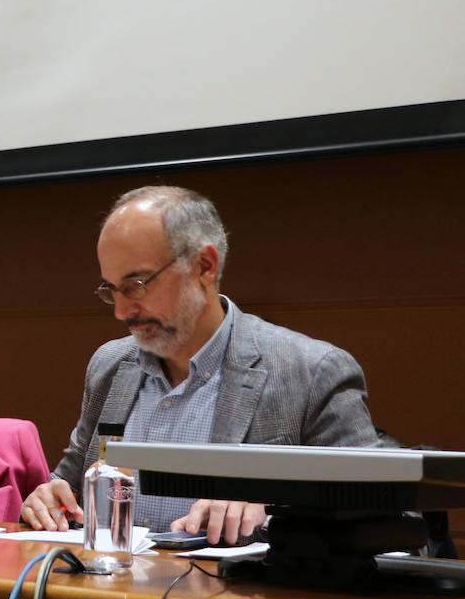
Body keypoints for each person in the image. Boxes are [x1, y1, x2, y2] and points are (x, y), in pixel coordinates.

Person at [20, 186, 378, 543]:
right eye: (111, 290)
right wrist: (50, 499)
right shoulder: (110, 366)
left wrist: (267, 513)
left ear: (204, 266)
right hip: (109, 591)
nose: (121, 311)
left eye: (137, 285)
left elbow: (385, 515)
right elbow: (69, 485)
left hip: (235, 596)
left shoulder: (310, 371)